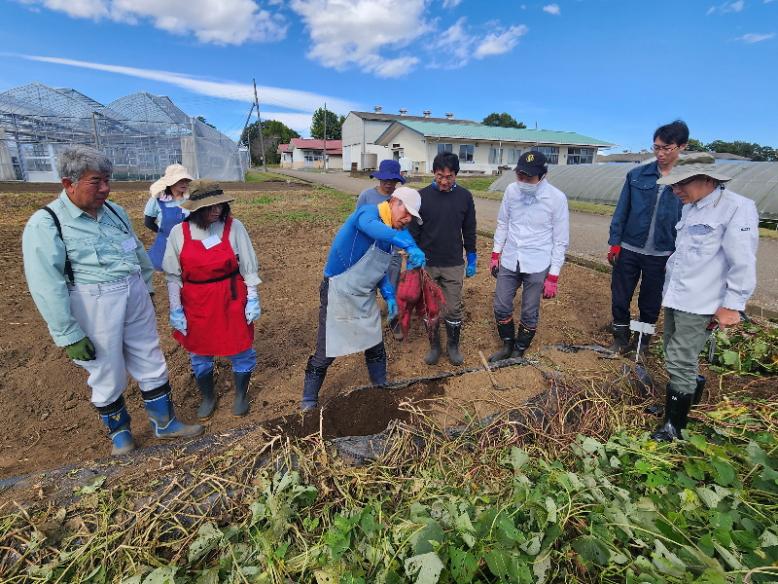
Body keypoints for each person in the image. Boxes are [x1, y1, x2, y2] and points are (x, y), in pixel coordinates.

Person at [22, 146, 203, 456]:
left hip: (133, 292)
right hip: (93, 301)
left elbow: (136, 252)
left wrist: (145, 288)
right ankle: (120, 436)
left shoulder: (114, 212)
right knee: (106, 370)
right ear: (69, 183)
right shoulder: (47, 222)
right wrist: (68, 333)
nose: (105, 188)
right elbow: (45, 284)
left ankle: (165, 422)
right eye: (97, 181)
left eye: (108, 180)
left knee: (150, 357)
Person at [651, 155, 758, 441]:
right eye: (673, 185)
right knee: (673, 350)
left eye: (682, 183)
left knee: (679, 358)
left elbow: (743, 262)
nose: (676, 190)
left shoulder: (736, 208)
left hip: (702, 299)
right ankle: (680, 405)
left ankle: (674, 428)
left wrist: (732, 305)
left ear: (708, 179)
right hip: (678, 294)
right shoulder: (692, 208)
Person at [301, 186, 426, 411]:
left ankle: (380, 386)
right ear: (394, 202)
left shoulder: (389, 236)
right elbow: (372, 229)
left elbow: (376, 270)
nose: (407, 220)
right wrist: (406, 242)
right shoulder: (368, 214)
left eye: (411, 217)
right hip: (338, 292)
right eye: (406, 213)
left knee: (375, 345)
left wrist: (389, 295)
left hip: (364, 295)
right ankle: (308, 400)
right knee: (326, 351)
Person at [162, 181, 262, 420]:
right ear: (195, 208)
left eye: (220, 205)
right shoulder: (180, 232)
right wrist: (176, 309)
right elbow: (173, 275)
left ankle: (240, 395)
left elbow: (248, 267)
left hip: (230, 296)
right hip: (196, 301)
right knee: (200, 352)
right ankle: (208, 397)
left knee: (240, 347)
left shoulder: (234, 227)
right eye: (209, 207)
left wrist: (252, 299)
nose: (216, 210)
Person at [607, 121, 687, 354]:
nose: (660, 153)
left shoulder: (689, 181)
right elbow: (622, 211)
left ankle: (641, 343)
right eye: (656, 148)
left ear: (682, 147)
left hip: (663, 253)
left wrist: (678, 254)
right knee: (620, 296)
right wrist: (615, 243)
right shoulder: (637, 175)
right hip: (630, 247)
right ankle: (621, 339)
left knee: (650, 303)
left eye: (666, 148)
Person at [488, 151, 570, 361]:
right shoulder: (511, 191)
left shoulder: (556, 199)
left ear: (542, 175)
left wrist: (553, 276)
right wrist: (496, 253)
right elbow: (503, 223)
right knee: (501, 305)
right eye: (519, 176)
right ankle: (507, 344)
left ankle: (519, 349)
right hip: (510, 258)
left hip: (538, 262)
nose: (522, 181)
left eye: (528, 177)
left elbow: (560, 240)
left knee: (529, 311)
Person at [409, 151, 477, 366]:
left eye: (449, 176)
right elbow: (414, 230)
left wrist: (472, 254)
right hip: (427, 263)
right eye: (440, 176)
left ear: (456, 174)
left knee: (453, 307)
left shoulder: (464, 197)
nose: (444, 181)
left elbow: (469, 228)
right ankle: (435, 346)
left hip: (453, 262)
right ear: (433, 172)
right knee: (430, 307)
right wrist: (413, 255)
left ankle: (453, 346)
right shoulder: (421, 197)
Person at [356, 159, 406, 339]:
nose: (389, 183)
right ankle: (367, 323)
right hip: (370, 251)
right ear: (379, 179)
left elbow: (404, 225)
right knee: (368, 287)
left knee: (392, 287)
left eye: (393, 180)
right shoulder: (367, 196)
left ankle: (393, 320)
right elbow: (358, 222)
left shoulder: (400, 199)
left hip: (392, 252)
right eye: (385, 179)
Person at [144, 164, 193, 270]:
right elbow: (148, 222)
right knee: (170, 271)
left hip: (189, 243)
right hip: (165, 243)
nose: (184, 183)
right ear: (171, 182)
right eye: (181, 180)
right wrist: (162, 232)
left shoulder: (191, 199)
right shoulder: (157, 199)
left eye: (186, 180)